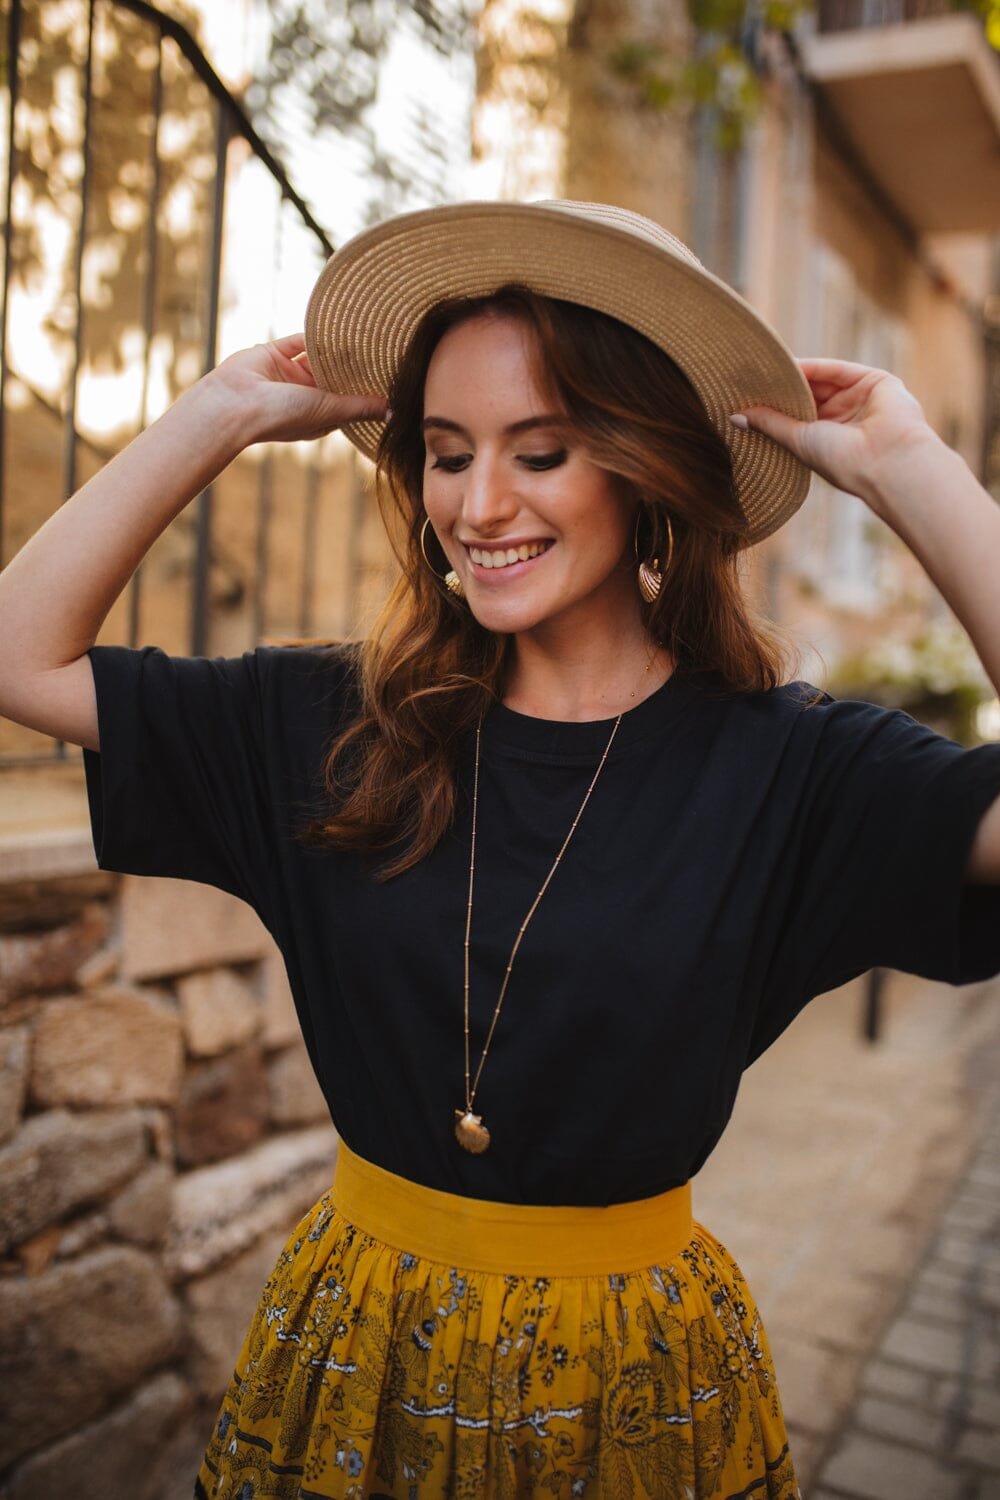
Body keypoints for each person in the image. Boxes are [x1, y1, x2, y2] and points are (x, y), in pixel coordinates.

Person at [1, 200, 999, 1500]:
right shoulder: (336, 723)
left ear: (644, 467)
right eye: (446, 453)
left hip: (634, 1384)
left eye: (543, 451)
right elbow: (21, 657)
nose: (479, 506)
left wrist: (914, 473)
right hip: (351, 1359)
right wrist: (221, 413)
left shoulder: (794, 770)